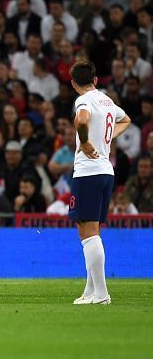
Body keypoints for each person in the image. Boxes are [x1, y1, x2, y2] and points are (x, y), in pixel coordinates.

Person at [68, 61, 131, 305]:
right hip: (106, 172)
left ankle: (102, 295)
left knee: (88, 232)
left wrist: (84, 141)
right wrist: (107, 138)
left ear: (74, 84)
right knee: (90, 231)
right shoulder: (106, 101)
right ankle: (90, 291)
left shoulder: (83, 101)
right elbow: (125, 119)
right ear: (95, 80)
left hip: (88, 172)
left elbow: (81, 120)